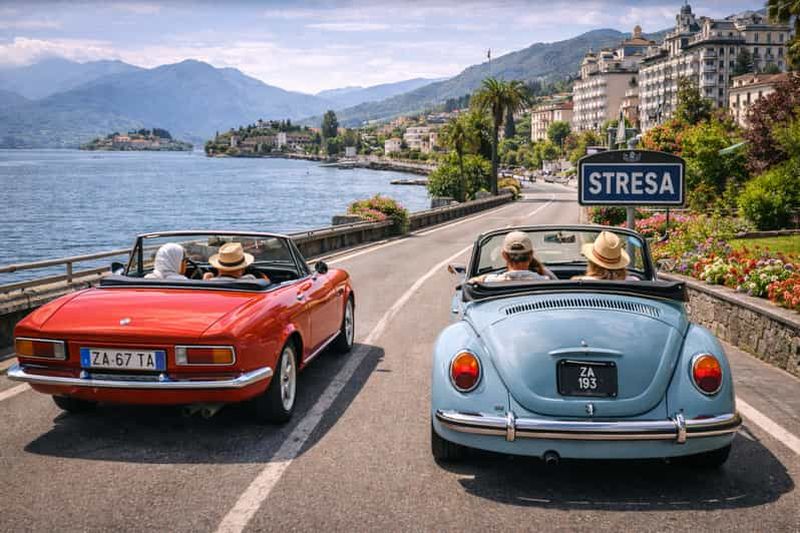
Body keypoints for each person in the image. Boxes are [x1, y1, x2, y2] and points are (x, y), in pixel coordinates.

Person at [475, 231, 553, 283]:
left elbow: (469, 284)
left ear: (504, 255)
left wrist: (485, 277)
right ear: (531, 255)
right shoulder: (545, 281)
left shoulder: (491, 282)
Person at [203, 242, 268, 282]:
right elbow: (266, 282)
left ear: (218, 268)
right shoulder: (250, 279)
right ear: (243, 268)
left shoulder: (209, 282)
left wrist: (206, 279)